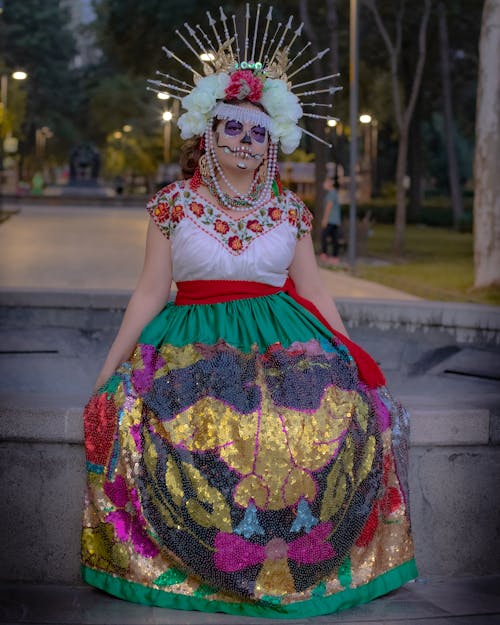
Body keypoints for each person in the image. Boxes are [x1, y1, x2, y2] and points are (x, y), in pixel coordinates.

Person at [81, 7, 417, 619]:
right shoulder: (172, 206)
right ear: (207, 135)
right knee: (172, 423)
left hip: (284, 341)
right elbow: (150, 292)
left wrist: (355, 359)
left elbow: (315, 294)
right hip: (190, 341)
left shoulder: (290, 211)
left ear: (273, 142)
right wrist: (109, 370)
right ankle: (203, 567)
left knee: (342, 413)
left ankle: (305, 565)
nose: (244, 143)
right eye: (232, 130)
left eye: (258, 133)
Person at [320, 177, 342, 265]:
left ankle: (324, 254)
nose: (323, 185)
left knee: (324, 236)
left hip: (331, 220)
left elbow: (329, 206)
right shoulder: (334, 192)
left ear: (329, 183)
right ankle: (335, 257)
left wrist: (325, 219)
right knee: (334, 238)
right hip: (335, 220)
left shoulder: (331, 193)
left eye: (325, 182)